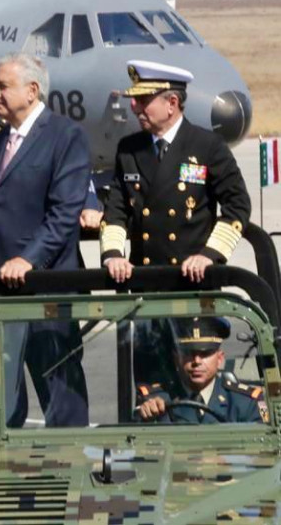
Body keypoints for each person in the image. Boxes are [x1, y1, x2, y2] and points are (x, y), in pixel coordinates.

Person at [101, 60, 251, 388]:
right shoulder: (130, 149)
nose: (134, 106)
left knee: (194, 382)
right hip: (147, 290)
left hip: (192, 290)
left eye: (143, 99)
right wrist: (113, 253)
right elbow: (115, 211)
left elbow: (238, 205)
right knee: (151, 388)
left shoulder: (206, 146)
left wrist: (209, 255)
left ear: (171, 103)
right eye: (134, 99)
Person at [0, 53, 91, 427]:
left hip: (46, 290)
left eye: (2, 86)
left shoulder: (64, 135)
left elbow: (63, 215)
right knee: (4, 400)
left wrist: (29, 260)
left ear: (31, 90)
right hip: (0, 293)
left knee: (61, 396)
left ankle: (72, 473)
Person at [135, 317, 266, 424]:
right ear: (176, 358)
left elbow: (263, 449)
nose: (197, 361)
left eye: (205, 354)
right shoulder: (155, 400)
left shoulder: (244, 403)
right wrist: (146, 414)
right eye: (188, 353)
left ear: (220, 358)